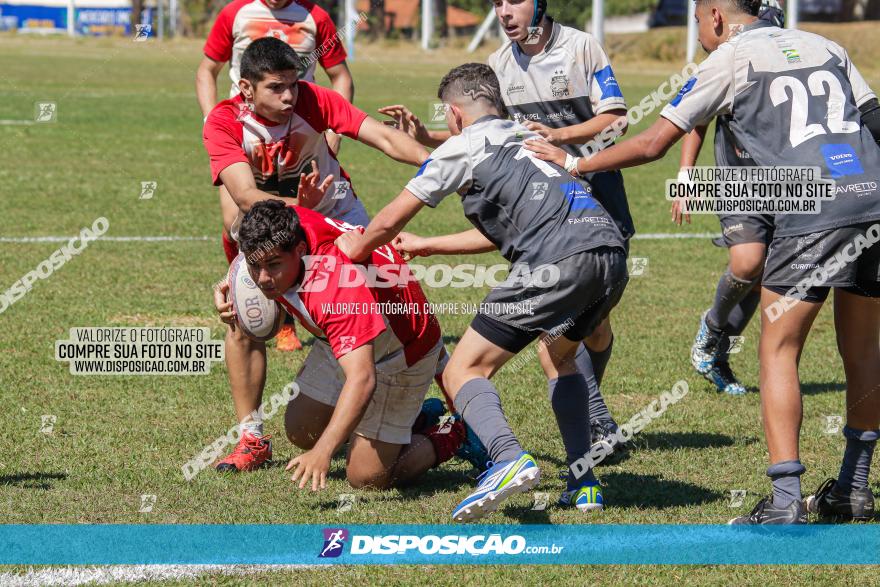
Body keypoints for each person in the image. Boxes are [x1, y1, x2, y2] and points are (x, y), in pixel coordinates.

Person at [526, 0, 880, 524]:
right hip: (871, 198)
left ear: (715, 15)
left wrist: (575, 162)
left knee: (779, 349)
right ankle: (854, 487)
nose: (697, 31)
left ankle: (785, 501)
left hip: (813, 206)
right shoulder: (826, 46)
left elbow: (651, 144)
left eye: (695, 20)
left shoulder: (731, 57)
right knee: (865, 351)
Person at [336, 63, 629, 521]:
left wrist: (356, 245)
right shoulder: (530, 137)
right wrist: (430, 246)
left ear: (454, 114)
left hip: (558, 259)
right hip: (609, 253)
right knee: (561, 356)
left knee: (463, 369)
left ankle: (508, 459)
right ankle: (584, 481)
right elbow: (512, 231)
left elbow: (393, 217)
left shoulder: (462, 146)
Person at [377, 0, 633, 463]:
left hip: (591, 195)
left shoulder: (581, 47)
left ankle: (522, 453)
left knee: (588, 334)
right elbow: (486, 132)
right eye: (496, 3)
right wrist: (427, 137)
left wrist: (561, 141)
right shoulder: (496, 65)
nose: (503, 12)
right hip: (550, 222)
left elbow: (616, 119)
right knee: (558, 341)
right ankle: (593, 438)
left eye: (512, 1)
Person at [202, 37, 430, 473]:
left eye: (293, 84)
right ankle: (251, 438)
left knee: (383, 317)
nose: (289, 96)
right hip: (272, 230)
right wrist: (299, 209)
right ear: (245, 88)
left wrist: (436, 164)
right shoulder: (224, 121)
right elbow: (247, 195)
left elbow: (380, 135)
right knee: (244, 319)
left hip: (338, 224)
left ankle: (414, 406)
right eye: (275, 87)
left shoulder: (312, 99)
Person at [215, 200, 482, 490]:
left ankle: (453, 432)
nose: (263, 278)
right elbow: (250, 241)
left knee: (366, 477)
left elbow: (363, 377)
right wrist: (230, 284)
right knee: (302, 431)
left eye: (273, 266)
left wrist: (324, 452)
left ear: (300, 251)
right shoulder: (281, 231)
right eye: (254, 266)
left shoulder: (333, 286)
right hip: (350, 335)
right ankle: (415, 419)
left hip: (401, 351)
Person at [196, 0, 355, 351]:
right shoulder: (235, 12)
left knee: (308, 222)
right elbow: (207, 69)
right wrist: (214, 122)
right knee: (238, 221)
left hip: (300, 136)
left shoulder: (316, 17)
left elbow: (340, 75)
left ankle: (297, 314)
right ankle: (252, 299)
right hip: (249, 136)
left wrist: (332, 134)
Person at [676, 0, 785, 395]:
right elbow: (697, 116)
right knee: (748, 260)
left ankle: (718, 355)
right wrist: (687, 175)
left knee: (763, 278)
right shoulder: (728, 50)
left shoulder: (775, 27)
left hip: (787, 177)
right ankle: (711, 328)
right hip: (739, 175)